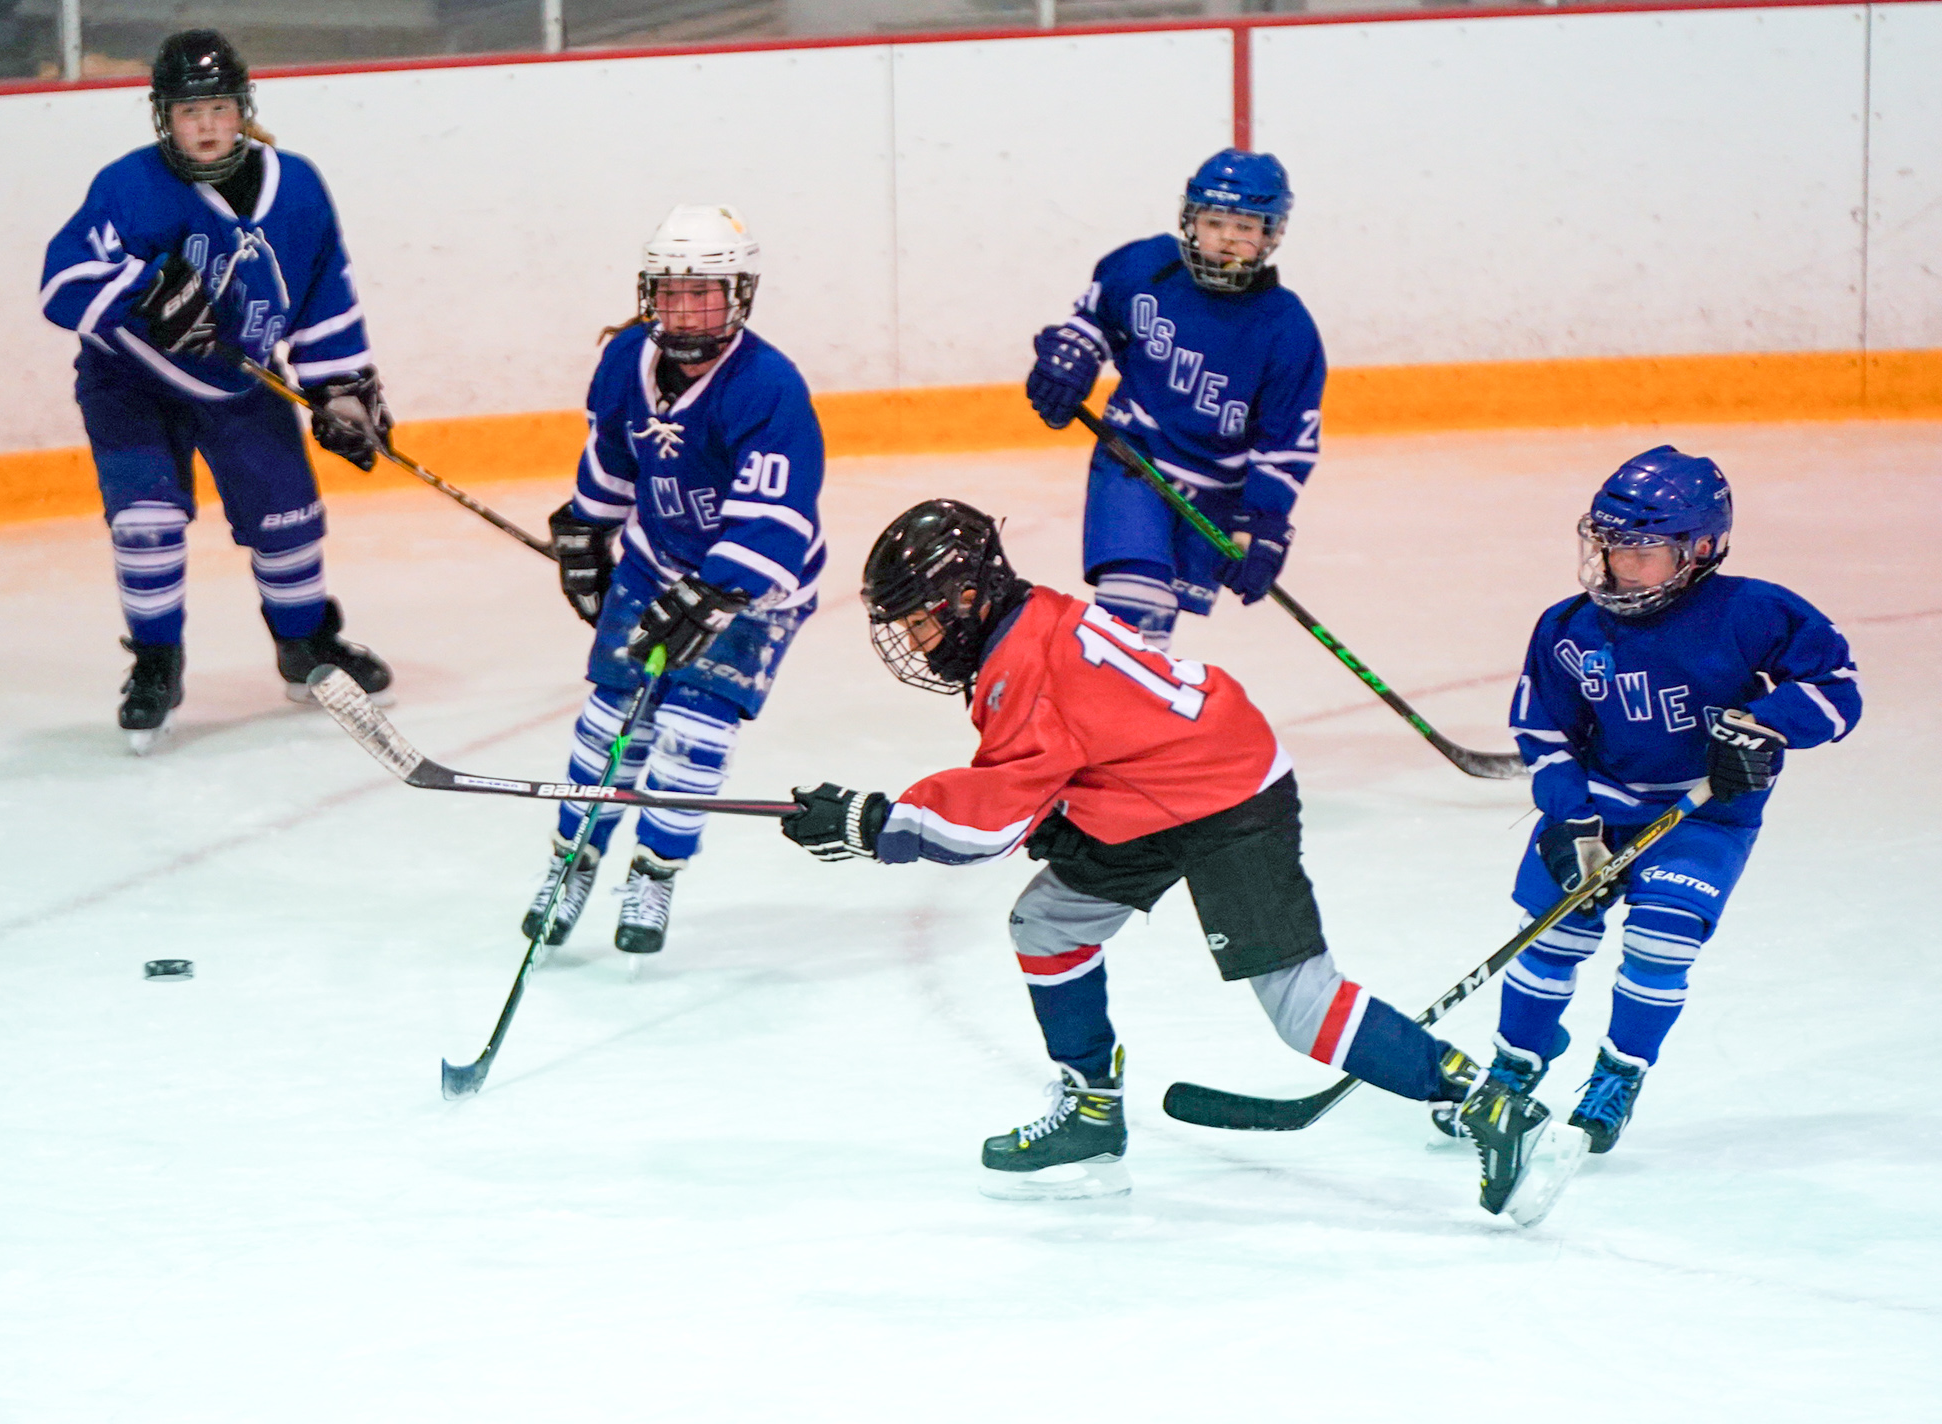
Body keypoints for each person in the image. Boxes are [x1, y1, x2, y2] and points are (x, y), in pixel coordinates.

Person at [774, 500, 1571, 1212]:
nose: (916, 641)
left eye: (921, 620)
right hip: (1158, 788)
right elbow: (1081, 753)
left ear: (968, 595)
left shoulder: (1021, 669)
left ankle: (1486, 1103)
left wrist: (868, 819)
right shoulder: (1032, 619)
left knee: (1299, 1005)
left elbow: (984, 823)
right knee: (1048, 924)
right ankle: (1091, 1111)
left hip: (1225, 797)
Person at [1462, 446, 1861, 1167]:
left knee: (1662, 943)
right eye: (1611, 546)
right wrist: (1571, 817)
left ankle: (1618, 1074)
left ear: (1701, 549)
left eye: (1643, 550)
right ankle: (1514, 1067)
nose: (1620, 565)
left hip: (1704, 816)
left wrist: (1767, 725)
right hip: (1600, 806)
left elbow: (1836, 688)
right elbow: (1544, 733)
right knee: (1550, 937)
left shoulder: (1754, 612)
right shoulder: (1568, 628)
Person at [39, 29, 394, 754]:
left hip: (241, 382)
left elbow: (327, 292)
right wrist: (145, 293)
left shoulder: (296, 185)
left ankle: (305, 649)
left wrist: (342, 387)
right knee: (146, 522)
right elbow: (61, 280)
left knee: (289, 522)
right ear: (162, 116)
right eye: (187, 111)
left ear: (243, 110)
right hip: (129, 384)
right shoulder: (127, 183)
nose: (204, 125)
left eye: (218, 108)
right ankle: (156, 666)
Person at [528, 205, 825, 957]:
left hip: (758, 586)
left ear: (740, 295)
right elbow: (615, 456)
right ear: (648, 293)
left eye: (707, 293)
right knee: (610, 724)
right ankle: (573, 861)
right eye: (672, 292)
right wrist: (587, 528)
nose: (688, 310)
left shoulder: (768, 386)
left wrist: (718, 592)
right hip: (657, 560)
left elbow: (776, 518)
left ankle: (655, 869)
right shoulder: (626, 357)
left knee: (693, 729)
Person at [1022, 149, 1325, 650]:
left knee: (1154, 631)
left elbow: (1286, 443)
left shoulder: (1287, 329)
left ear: (1272, 234)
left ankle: (1139, 717)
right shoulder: (1145, 268)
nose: (1227, 237)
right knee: (1132, 607)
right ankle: (1110, 716)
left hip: (1214, 493)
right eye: (1214, 221)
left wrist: (1264, 523)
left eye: (1245, 224)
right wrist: (1068, 359)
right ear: (1190, 220)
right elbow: (1095, 321)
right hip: (1133, 458)